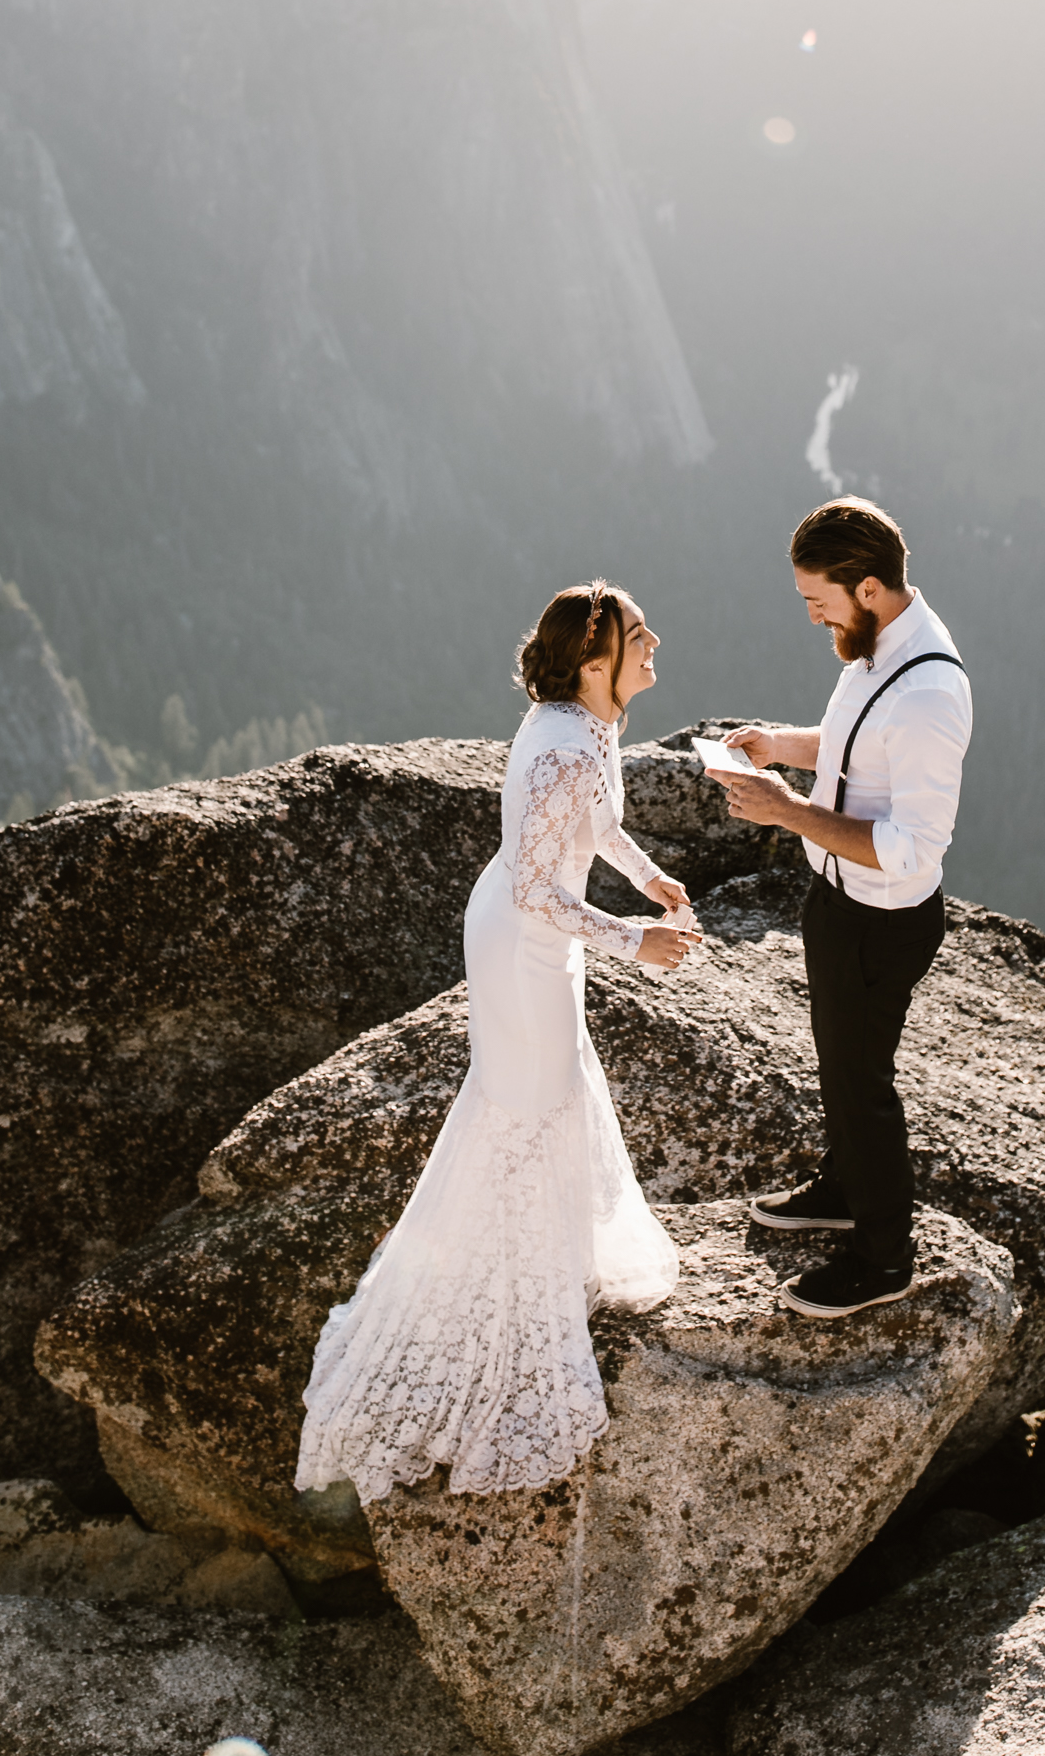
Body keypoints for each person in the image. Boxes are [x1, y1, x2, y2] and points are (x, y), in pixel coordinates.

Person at [294, 581, 700, 1500]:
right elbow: (533, 890)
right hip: (523, 944)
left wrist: (651, 877)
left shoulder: (581, 723)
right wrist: (639, 941)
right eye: (640, 635)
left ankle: (542, 1268)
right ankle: (499, 1311)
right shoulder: (562, 749)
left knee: (548, 1095)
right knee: (526, 1108)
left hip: (536, 935)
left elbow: (595, 830)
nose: (655, 643)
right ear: (596, 662)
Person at [713, 498, 972, 1319]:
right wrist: (776, 746)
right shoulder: (871, 648)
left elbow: (910, 849)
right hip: (837, 900)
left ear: (865, 587)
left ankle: (882, 1259)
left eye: (815, 601)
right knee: (838, 1062)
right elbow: (855, 744)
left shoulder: (929, 690)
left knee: (862, 1085)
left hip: (881, 921)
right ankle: (839, 1185)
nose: (811, 615)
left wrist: (784, 809)